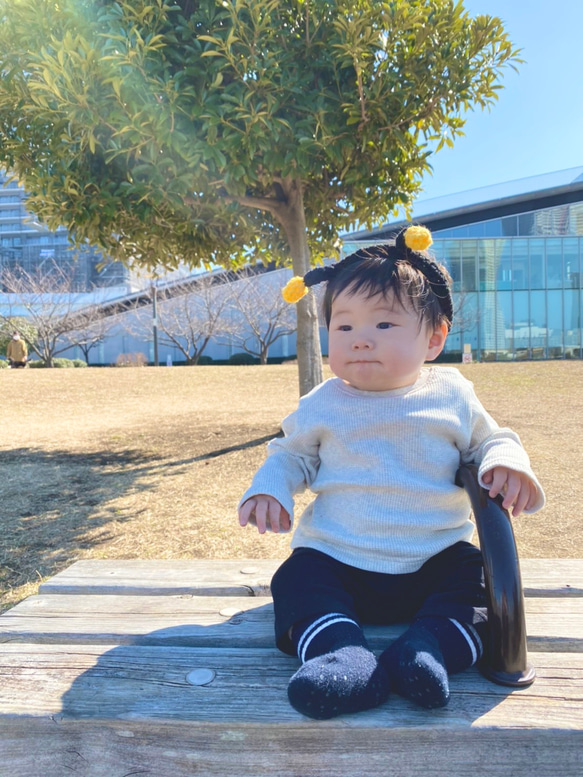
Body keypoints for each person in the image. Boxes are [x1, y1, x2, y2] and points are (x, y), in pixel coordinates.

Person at [238, 225, 545, 721]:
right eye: (344, 327)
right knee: (296, 579)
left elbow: (492, 439)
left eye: (383, 326)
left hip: (434, 558)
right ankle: (342, 653)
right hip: (338, 555)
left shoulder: (450, 394)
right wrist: (271, 489)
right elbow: (289, 454)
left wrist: (505, 463)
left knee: (477, 583)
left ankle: (426, 650)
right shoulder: (323, 402)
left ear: (434, 338)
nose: (361, 341)